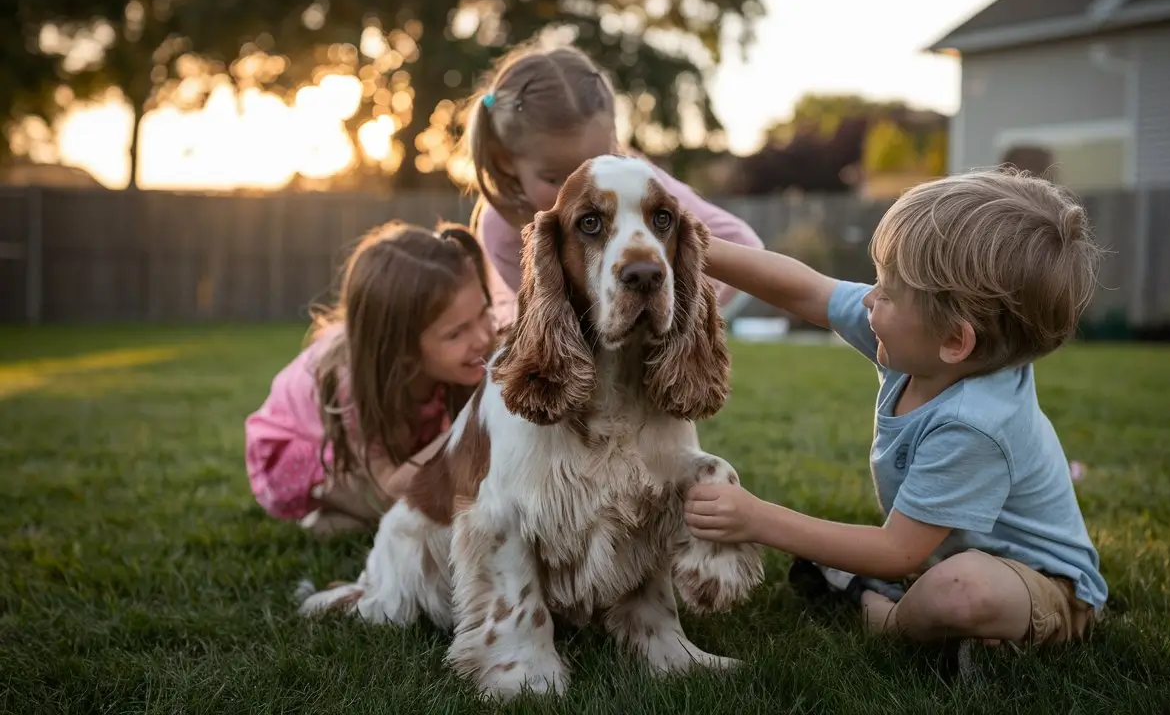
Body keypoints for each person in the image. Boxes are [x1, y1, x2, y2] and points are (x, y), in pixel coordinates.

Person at [682, 167, 1110, 658]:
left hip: (1047, 588)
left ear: (955, 339)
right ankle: (929, 612)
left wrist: (756, 519)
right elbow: (808, 291)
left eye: (886, 291)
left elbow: (896, 551)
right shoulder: (923, 343)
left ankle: (883, 612)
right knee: (949, 581)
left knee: (963, 590)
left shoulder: (976, 421)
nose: (867, 297)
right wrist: (692, 244)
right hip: (940, 556)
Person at [446, 38, 764, 329]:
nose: (581, 192)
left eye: (594, 166)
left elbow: (740, 242)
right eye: (554, 178)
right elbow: (546, 324)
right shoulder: (502, 229)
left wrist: (678, 322)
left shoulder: (636, 183)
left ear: (613, 144)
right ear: (505, 160)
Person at [244, 221, 496, 536]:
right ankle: (331, 517)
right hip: (299, 449)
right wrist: (467, 428)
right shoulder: (350, 383)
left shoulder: (453, 354)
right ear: (402, 348)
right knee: (392, 506)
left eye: (484, 312)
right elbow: (390, 487)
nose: (483, 336)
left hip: (381, 429)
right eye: (456, 333)